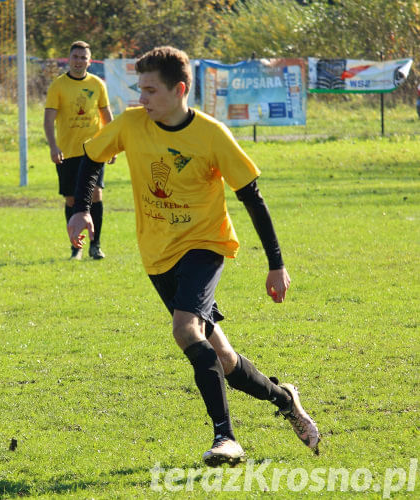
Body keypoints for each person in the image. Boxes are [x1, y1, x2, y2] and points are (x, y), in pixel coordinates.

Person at [67, 46, 320, 466]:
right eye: (139, 88)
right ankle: (285, 398)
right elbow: (92, 158)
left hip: (206, 244)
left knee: (185, 330)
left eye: (150, 90)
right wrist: (80, 210)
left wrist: (276, 263)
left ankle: (226, 439)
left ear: (179, 89)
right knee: (223, 359)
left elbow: (252, 198)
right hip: (157, 254)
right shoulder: (131, 125)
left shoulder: (211, 135)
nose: (141, 98)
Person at [44, 41, 113, 260]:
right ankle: (76, 247)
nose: (79, 61)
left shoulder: (97, 84)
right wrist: (53, 146)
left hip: (93, 151)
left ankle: (96, 245)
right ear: (69, 59)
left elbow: (106, 115)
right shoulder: (58, 85)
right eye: (75, 56)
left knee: (95, 195)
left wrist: (111, 145)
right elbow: (48, 120)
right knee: (72, 200)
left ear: (89, 61)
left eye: (83, 57)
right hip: (67, 152)